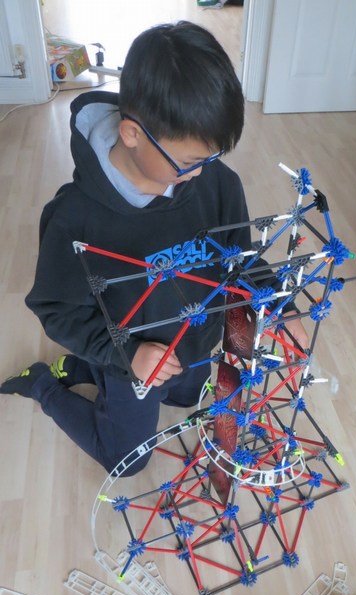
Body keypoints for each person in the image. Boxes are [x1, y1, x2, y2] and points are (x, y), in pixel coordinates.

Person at [0, 21, 307, 476]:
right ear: (132, 134)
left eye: (210, 158)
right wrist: (125, 355)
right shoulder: (73, 219)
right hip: (131, 358)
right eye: (188, 162)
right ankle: (45, 385)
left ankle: (86, 367)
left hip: (194, 345)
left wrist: (278, 304)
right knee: (126, 462)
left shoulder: (217, 183)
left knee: (186, 398)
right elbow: (57, 310)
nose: (200, 173)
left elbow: (238, 260)